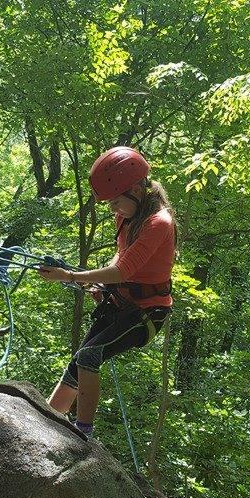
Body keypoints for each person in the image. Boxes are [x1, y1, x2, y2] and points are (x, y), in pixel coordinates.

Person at [39, 146, 175, 437]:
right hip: (121, 304)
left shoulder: (158, 223)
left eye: (115, 202)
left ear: (136, 191)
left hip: (147, 312)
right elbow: (121, 258)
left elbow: (124, 271)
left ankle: (83, 432)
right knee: (79, 361)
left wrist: (71, 276)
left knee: (90, 355)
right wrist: (102, 284)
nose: (113, 210)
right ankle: (49, 419)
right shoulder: (128, 217)